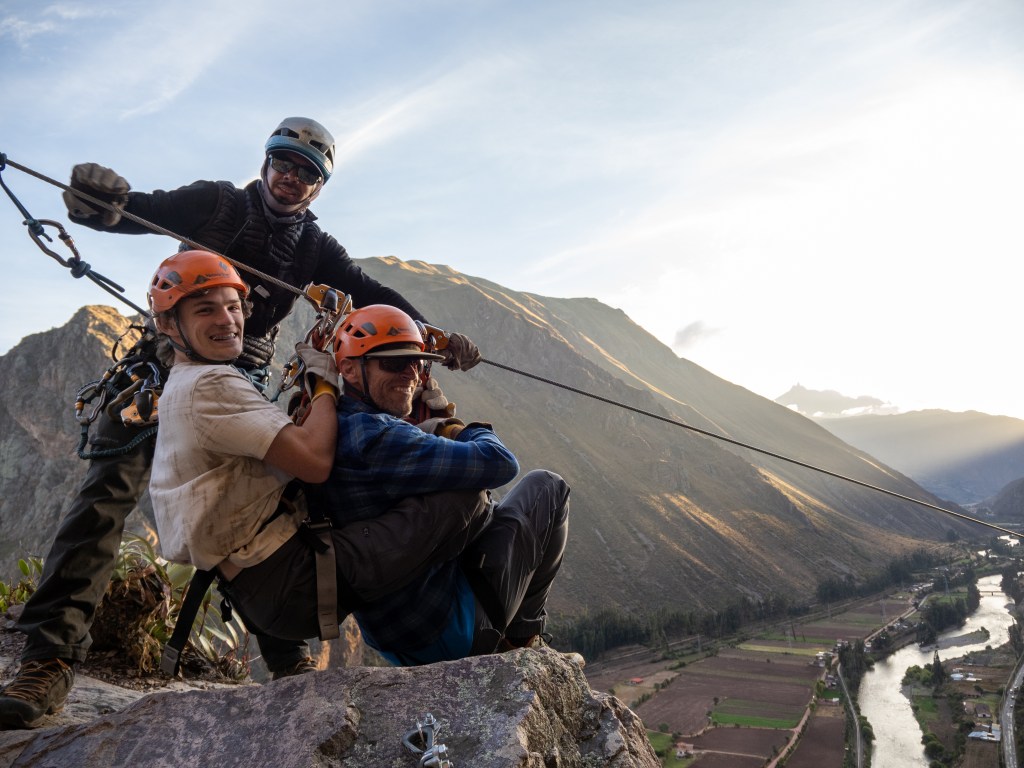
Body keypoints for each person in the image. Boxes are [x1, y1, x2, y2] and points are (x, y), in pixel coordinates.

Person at [0, 117, 480, 730]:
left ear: (318, 185)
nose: (290, 178)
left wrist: (432, 340)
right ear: (266, 162)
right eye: (283, 163)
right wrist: (96, 204)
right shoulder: (218, 203)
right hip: (161, 370)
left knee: (263, 512)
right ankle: (48, 660)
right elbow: (137, 210)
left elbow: (367, 290)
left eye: (306, 172)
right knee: (103, 500)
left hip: (235, 383)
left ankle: (285, 655)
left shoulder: (315, 249)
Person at [145, 251, 491, 653]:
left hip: (262, 585)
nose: (227, 320)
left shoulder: (185, 382)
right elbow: (313, 462)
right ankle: (480, 634)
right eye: (206, 310)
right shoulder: (209, 386)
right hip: (293, 583)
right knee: (467, 494)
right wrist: (323, 382)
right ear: (169, 324)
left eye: (233, 307)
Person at [306, 304, 571, 666]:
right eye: (393, 363)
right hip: (447, 633)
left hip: (395, 634)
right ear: (349, 368)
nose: (411, 374)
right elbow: (501, 463)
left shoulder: (336, 424)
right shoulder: (381, 437)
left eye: (417, 363)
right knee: (547, 488)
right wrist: (452, 424)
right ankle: (521, 644)